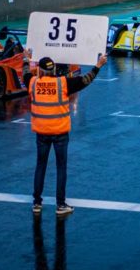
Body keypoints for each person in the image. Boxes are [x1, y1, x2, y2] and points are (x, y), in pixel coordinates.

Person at [23, 51, 107, 217]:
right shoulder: (63, 83)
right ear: (54, 70)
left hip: (41, 132)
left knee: (40, 166)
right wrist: (98, 65)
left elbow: (25, 72)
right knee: (61, 168)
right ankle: (60, 204)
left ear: (39, 71)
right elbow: (86, 80)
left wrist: (26, 58)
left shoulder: (32, 83)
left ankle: (37, 203)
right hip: (60, 132)